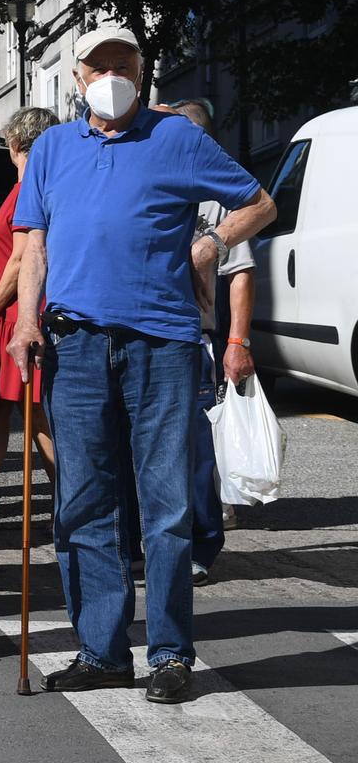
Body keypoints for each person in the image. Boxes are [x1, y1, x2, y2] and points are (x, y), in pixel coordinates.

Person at [10, 29, 274, 703]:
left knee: (166, 503)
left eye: (123, 66)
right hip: (76, 344)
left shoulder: (175, 137)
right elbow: (32, 242)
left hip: (161, 343)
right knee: (85, 503)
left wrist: (212, 243)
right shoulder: (52, 148)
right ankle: (101, 649)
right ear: (77, 77)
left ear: (140, 73)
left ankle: (169, 651)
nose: (111, 76)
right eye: (99, 66)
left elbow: (260, 202)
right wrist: (27, 318)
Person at [170, 97, 257, 581]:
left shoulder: (220, 196)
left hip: (193, 337)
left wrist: (237, 342)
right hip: (146, 332)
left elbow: (240, 274)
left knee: (196, 451)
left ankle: (202, 543)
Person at [0, 107, 59, 525]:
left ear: (13, 144)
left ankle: (68, 501)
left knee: (37, 413)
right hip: (8, 317)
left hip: (16, 316)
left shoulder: (32, 186)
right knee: (1, 417)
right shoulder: (30, 184)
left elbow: (21, 257)